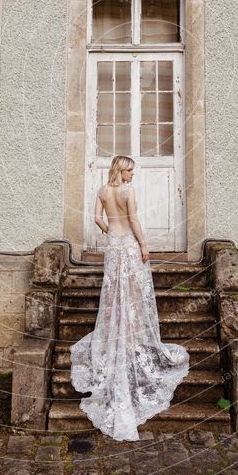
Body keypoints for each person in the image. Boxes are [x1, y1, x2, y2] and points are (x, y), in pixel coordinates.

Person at [70, 154, 190, 441]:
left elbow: (97, 218)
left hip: (113, 245)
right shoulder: (127, 192)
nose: (132, 175)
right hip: (129, 245)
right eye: (130, 170)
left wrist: (109, 231)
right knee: (133, 291)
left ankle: (116, 331)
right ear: (121, 170)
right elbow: (134, 218)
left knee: (113, 291)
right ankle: (132, 331)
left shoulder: (102, 191)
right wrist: (144, 244)